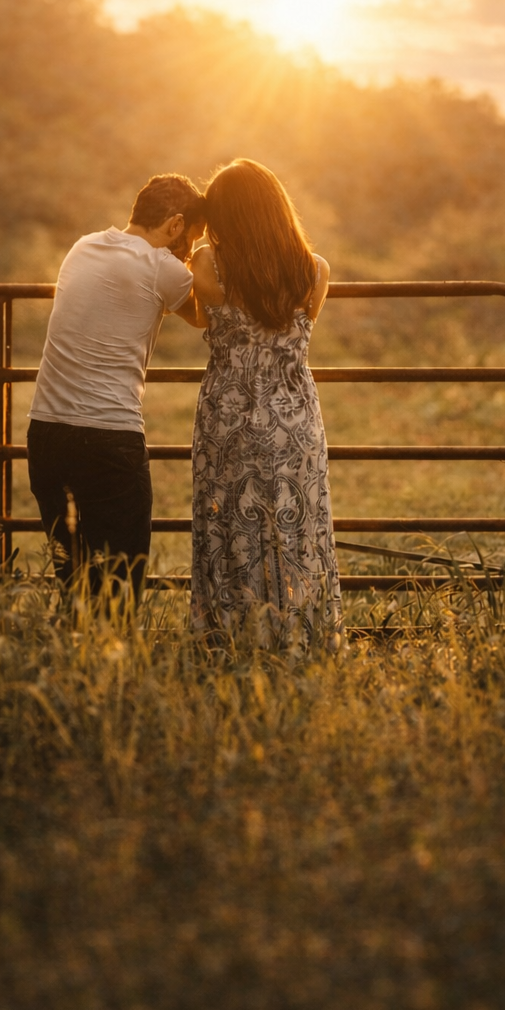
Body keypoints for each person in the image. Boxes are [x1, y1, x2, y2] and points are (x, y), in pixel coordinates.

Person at [27, 173, 206, 603]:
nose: (185, 249)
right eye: (190, 237)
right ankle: (113, 666)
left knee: (74, 580)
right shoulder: (163, 266)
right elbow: (205, 316)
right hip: (109, 437)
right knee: (121, 587)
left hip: (45, 432)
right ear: (176, 224)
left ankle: (74, 661)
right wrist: (200, 259)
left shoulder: (82, 246)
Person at [187, 159, 341, 647]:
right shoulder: (314, 270)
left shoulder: (208, 262)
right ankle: (300, 639)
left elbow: (199, 317)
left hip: (228, 414)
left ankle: (230, 639)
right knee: (297, 524)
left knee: (228, 525)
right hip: (294, 417)